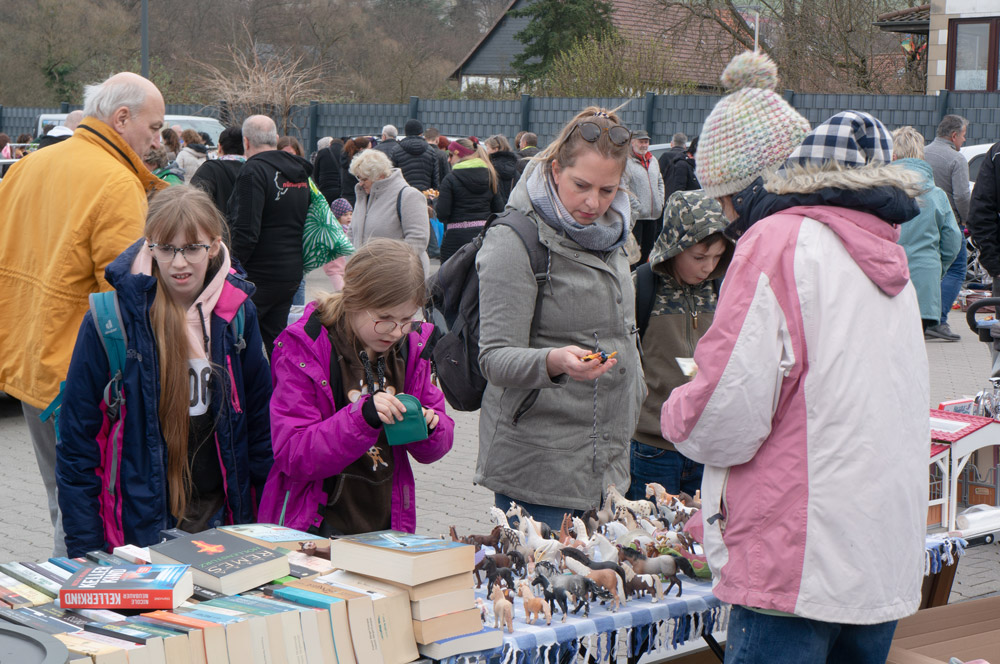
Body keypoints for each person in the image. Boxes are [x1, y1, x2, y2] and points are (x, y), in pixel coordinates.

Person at [661, 52, 927, 663]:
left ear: (749, 187)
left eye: (724, 202)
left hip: (796, 557)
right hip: (878, 554)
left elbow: (726, 410)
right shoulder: (888, 255)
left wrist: (678, 411)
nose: (724, 224)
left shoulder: (777, 241)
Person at [0, 72, 168, 557]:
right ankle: (78, 612)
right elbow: (128, 298)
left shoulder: (31, 165)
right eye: (154, 128)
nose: (157, 141)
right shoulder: (116, 182)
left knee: (60, 499)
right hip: (84, 376)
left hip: (29, 363)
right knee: (87, 510)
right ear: (121, 118)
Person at [57, 185, 273, 557]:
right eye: (167, 248)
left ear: (215, 246)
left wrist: (264, 530)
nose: (179, 263)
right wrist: (85, 552)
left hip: (221, 522)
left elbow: (261, 433)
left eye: (192, 248)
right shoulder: (110, 322)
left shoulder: (237, 315)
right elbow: (77, 447)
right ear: (149, 246)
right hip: (138, 529)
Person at [475, 106, 645, 531]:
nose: (594, 202)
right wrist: (554, 361)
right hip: (540, 472)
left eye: (608, 190)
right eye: (581, 185)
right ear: (554, 170)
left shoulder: (616, 234)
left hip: (608, 465)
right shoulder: (515, 239)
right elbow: (494, 358)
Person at [258, 239, 454, 534]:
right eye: (384, 318)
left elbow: (436, 443)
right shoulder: (304, 347)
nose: (396, 331)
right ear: (353, 298)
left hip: (386, 524)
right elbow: (293, 453)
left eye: (406, 319)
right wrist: (362, 418)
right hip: (314, 526)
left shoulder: (413, 348)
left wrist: (429, 427)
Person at [625, 190, 732, 501]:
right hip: (652, 447)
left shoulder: (723, 289)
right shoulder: (641, 287)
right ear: (674, 248)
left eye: (717, 257)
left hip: (706, 446)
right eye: (699, 257)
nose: (708, 267)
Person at [228, 115, 312, 355]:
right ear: (275, 139)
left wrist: (231, 266)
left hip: (258, 276)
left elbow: (246, 230)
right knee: (276, 341)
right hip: (290, 273)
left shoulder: (252, 172)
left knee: (239, 341)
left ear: (245, 142)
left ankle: (248, 391)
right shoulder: (299, 173)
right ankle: (283, 388)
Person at [892, 126, 963, 338]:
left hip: (886, 280)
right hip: (925, 281)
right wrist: (937, 268)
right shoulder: (936, 194)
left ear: (893, 156)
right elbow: (953, 239)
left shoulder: (880, 192)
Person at [924, 114, 971, 340]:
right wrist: (966, 220)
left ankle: (922, 318)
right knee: (956, 268)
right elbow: (962, 195)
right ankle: (938, 320)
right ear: (953, 135)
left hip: (922, 221)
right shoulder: (956, 159)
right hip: (948, 222)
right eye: (963, 136)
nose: (963, 141)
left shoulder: (921, 153)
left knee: (930, 270)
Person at [349, 148, 431, 275]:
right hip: (366, 277)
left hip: (399, 279)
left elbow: (418, 240)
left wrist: (385, 265)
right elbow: (352, 233)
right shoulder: (363, 196)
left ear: (379, 176)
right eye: (358, 178)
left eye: (364, 179)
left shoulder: (408, 195)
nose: (360, 183)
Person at [436, 137, 504, 261]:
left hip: (455, 240)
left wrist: (436, 201)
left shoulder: (450, 179)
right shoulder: (491, 176)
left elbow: (442, 213)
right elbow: (499, 209)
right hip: (483, 237)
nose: (448, 160)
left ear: (461, 155)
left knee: (451, 278)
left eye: (451, 155)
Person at [625, 129, 666, 266]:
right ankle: (632, 277)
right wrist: (637, 206)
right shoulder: (627, 162)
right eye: (641, 142)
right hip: (637, 217)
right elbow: (623, 187)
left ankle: (641, 276)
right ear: (632, 142)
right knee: (634, 252)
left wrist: (660, 201)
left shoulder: (653, 160)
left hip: (653, 215)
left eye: (646, 142)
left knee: (648, 249)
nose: (644, 145)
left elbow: (660, 181)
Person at [189, 127, 245, 215]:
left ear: (219, 147)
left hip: (216, 227)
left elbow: (193, 203)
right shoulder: (254, 170)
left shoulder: (209, 170)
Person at [391, 119, 439, 192]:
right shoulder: (431, 151)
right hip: (425, 195)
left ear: (406, 133)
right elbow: (435, 178)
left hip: (403, 194)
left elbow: (392, 176)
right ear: (421, 133)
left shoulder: (396, 150)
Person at [322, 198, 353, 291]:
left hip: (344, 267)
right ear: (337, 216)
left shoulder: (348, 229)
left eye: (351, 214)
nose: (349, 217)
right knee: (340, 291)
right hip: (334, 268)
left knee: (346, 290)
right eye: (345, 215)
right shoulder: (332, 230)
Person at [485, 134, 519, 203]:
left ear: (495, 149)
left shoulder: (490, 168)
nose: (486, 152)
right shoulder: (516, 166)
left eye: (488, 148)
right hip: (511, 208)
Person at [340, 136, 370, 207]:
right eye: (369, 148)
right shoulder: (360, 162)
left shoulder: (345, 158)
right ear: (361, 149)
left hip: (346, 193)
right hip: (359, 195)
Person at [313, 136, 343, 204]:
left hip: (325, 188)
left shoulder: (322, 152)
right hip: (340, 189)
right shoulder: (345, 153)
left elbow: (315, 173)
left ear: (330, 144)